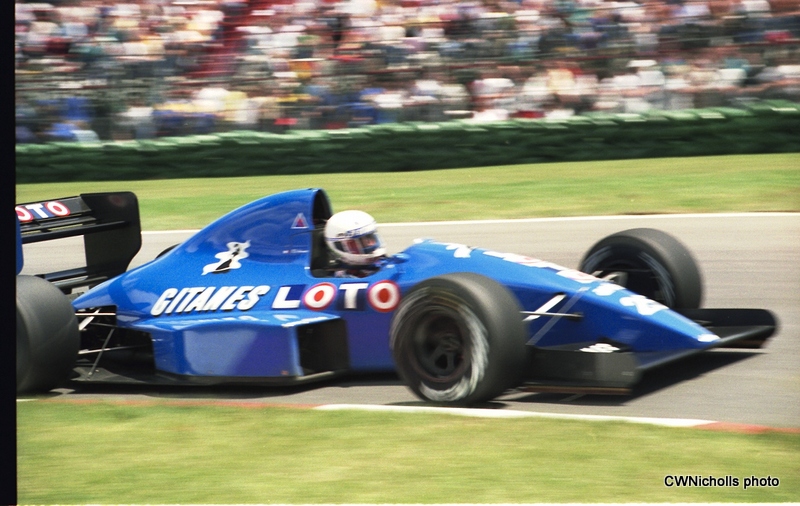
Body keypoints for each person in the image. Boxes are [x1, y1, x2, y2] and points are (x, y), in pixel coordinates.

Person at [323, 210, 386, 277]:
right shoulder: (343, 277)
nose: (371, 244)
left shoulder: (381, 263)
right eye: (361, 242)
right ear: (341, 246)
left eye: (371, 237)